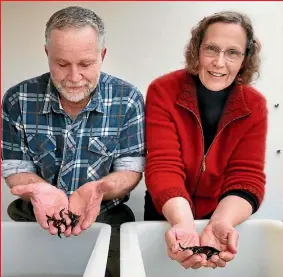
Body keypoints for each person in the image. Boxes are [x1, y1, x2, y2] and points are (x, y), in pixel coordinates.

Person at [2, 6, 145, 277]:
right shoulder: (17, 99)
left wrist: (99, 188)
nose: (75, 77)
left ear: (102, 56)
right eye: (62, 64)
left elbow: (131, 168)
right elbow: (14, 167)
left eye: (86, 64)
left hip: (107, 218)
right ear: (47, 54)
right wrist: (41, 191)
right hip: (33, 216)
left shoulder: (128, 99)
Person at [144, 11, 267, 270]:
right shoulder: (162, 91)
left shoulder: (255, 105)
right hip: (169, 213)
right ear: (197, 49)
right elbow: (163, 166)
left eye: (232, 52)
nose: (219, 63)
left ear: (245, 59)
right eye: (211, 49)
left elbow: (247, 176)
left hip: (221, 213)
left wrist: (221, 222)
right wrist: (182, 223)